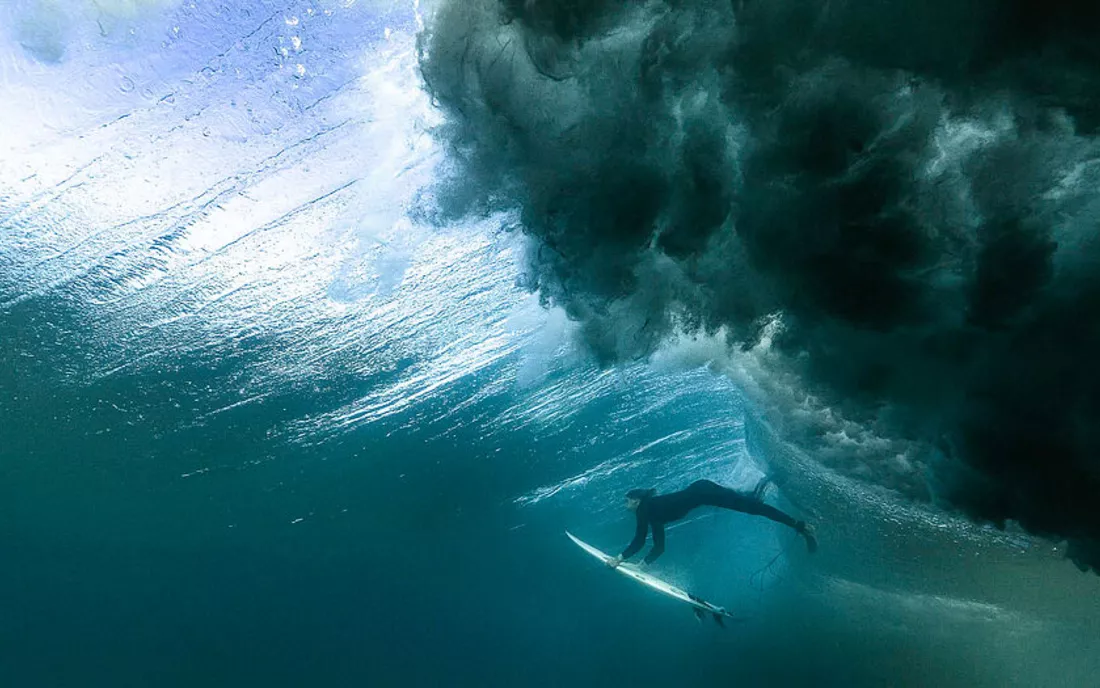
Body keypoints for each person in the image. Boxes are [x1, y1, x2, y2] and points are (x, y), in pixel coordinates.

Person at [608, 478, 817, 567]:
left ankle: (800, 525)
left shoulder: (645, 509)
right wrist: (643, 565)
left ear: (636, 500)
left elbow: (638, 540)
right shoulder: (652, 513)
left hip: (704, 493)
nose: (626, 505)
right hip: (702, 489)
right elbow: (659, 547)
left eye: (627, 501)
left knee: (755, 508)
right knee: (751, 504)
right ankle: (763, 488)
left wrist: (618, 559)